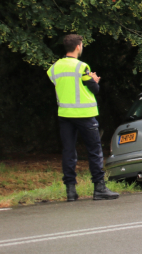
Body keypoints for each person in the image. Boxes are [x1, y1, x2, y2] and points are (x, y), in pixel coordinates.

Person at [47, 34, 119, 201]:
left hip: (65, 115)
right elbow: (94, 89)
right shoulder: (81, 67)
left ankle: (71, 191)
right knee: (94, 151)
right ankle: (99, 188)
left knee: (68, 151)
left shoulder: (54, 68)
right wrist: (94, 80)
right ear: (78, 47)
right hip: (85, 115)